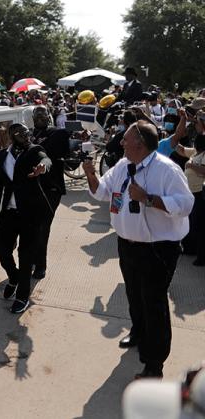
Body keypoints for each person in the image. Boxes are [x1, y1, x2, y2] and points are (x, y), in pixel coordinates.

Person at [83, 121, 194, 378]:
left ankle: (154, 365)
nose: (120, 143)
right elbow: (101, 192)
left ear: (140, 143)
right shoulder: (122, 166)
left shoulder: (167, 170)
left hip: (158, 250)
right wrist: (90, 174)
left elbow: (186, 204)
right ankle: (138, 332)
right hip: (127, 245)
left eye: (125, 139)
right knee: (134, 296)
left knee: (153, 303)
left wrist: (148, 199)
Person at [0, 123, 52, 314]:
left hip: (31, 213)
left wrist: (43, 167)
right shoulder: (1, 156)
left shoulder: (34, 151)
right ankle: (13, 277)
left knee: (26, 256)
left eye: (26, 132)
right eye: (20, 133)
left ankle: (23, 296)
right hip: (9, 212)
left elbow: (46, 159)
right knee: (2, 251)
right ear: (11, 137)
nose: (26, 136)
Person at [31, 106, 70, 279]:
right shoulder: (29, 134)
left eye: (43, 114)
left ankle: (40, 265)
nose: (40, 117)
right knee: (32, 227)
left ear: (49, 117)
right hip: (31, 188)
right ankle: (32, 258)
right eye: (36, 114)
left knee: (42, 227)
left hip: (51, 188)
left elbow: (56, 151)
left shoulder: (57, 133)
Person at [177, 134, 205, 266]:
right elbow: (180, 150)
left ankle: (200, 256)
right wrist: (174, 137)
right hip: (190, 194)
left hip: (200, 194)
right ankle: (189, 249)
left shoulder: (204, 155)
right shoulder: (195, 153)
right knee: (189, 223)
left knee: (197, 226)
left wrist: (191, 166)